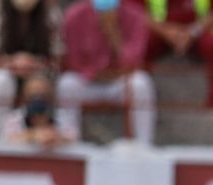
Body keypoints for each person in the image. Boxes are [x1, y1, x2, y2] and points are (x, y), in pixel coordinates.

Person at [58, 0, 157, 144]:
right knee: (67, 84)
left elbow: (133, 62)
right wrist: (94, 73)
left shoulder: (136, 16)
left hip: (118, 83)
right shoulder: (74, 15)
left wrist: (112, 32)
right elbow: (73, 61)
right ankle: (68, 140)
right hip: (88, 82)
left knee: (141, 83)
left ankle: (144, 144)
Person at [0, 0, 64, 140]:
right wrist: (12, 63)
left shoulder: (50, 11)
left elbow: (57, 55)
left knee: (39, 86)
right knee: (2, 81)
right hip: (1, 74)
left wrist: (33, 63)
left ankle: (44, 137)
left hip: (38, 73)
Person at [144, 0, 213, 110]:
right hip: (159, 31)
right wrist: (166, 32)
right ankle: (142, 104)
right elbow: (135, 11)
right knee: (140, 45)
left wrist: (192, 32)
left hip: (199, 30)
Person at [2, 72, 71, 147]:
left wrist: (54, 137)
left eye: (43, 94)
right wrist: (34, 135)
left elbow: (72, 139)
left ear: (51, 97)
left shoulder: (63, 117)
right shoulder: (14, 118)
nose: (38, 98)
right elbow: (7, 140)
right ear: (24, 97)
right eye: (33, 94)